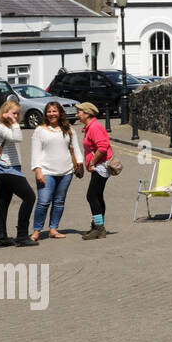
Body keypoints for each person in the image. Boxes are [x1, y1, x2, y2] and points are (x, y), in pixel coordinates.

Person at [30, 101, 85, 240]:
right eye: (49, 111)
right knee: (43, 202)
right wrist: (38, 171)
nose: (51, 114)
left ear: (60, 113)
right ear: (45, 114)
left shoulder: (68, 129)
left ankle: (53, 229)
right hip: (46, 172)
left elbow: (76, 149)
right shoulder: (39, 130)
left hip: (66, 172)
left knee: (59, 202)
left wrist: (80, 164)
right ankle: (36, 231)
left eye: (54, 111)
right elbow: (35, 153)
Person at [0, 98, 37, 247]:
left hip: (8, 169)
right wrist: (14, 122)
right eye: (13, 113)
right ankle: (22, 235)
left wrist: (11, 121)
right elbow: (17, 138)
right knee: (29, 197)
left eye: (18, 114)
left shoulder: (4, 125)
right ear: (5, 112)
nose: (16, 117)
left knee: (3, 202)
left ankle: (1, 237)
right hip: (6, 169)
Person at [76, 102, 113, 240]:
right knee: (97, 196)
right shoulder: (90, 127)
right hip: (98, 166)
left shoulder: (95, 128)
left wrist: (92, 162)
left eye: (79, 112)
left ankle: (99, 228)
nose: (77, 114)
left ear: (87, 113)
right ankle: (98, 226)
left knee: (91, 196)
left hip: (100, 166)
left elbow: (102, 147)